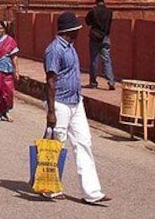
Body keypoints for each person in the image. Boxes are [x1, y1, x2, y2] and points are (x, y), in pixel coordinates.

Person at [43, 12, 109, 204]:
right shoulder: (54, 49)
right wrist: (51, 111)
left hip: (75, 101)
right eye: (77, 29)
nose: (80, 32)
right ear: (69, 30)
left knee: (84, 142)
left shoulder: (70, 47)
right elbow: (50, 81)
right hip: (60, 102)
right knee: (56, 144)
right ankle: (49, 187)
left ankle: (92, 192)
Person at [85, 0, 115, 90]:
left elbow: (87, 22)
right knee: (106, 59)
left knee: (94, 60)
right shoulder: (109, 12)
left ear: (96, 0)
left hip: (94, 37)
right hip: (105, 37)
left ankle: (93, 83)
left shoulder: (93, 11)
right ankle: (111, 81)